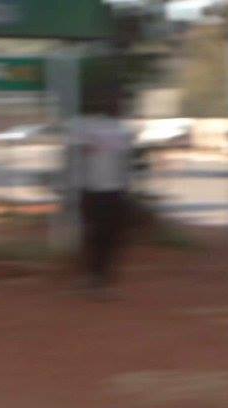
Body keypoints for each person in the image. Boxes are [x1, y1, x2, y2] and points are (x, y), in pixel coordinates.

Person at [71, 93, 134, 293]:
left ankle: (97, 277)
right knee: (104, 237)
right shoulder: (114, 131)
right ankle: (97, 277)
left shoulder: (97, 129)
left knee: (100, 236)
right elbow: (124, 165)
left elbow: (123, 164)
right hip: (103, 191)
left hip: (100, 191)